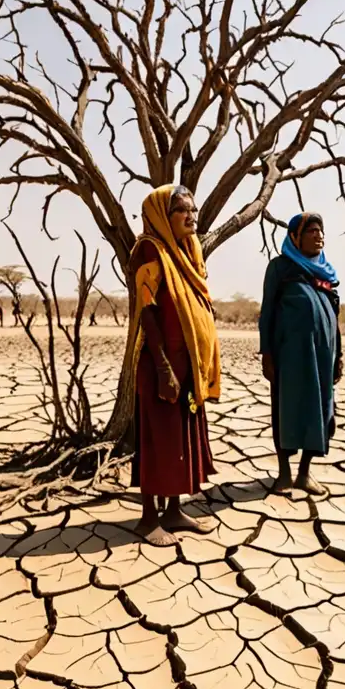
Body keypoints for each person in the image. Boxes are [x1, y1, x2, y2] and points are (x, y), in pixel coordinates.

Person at [126, 184, 221, 546]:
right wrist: (164, 368)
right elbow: (147, 312)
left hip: (187, 365)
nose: (191, 216)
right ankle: (148, 518)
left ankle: (173, 511)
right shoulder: (150, 250)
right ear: (163, 216)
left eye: (193, 210)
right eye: (182, 210)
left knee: (181, 439)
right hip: (160, 364)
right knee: (158, 441)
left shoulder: (187, 252)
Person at [260, 213, 342, 497]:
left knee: (321, 412)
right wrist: (267, 354)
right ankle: (284, 474)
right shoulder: (281, 268)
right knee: (286, 410)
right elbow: (267, 313)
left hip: (323, 359)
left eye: (321, 232)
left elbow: (334, 315)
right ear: (295, 237)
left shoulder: (326, 273)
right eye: (312, 232)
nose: (319, 236)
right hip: (290, 358)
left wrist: (338, 355)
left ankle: (305, 473)